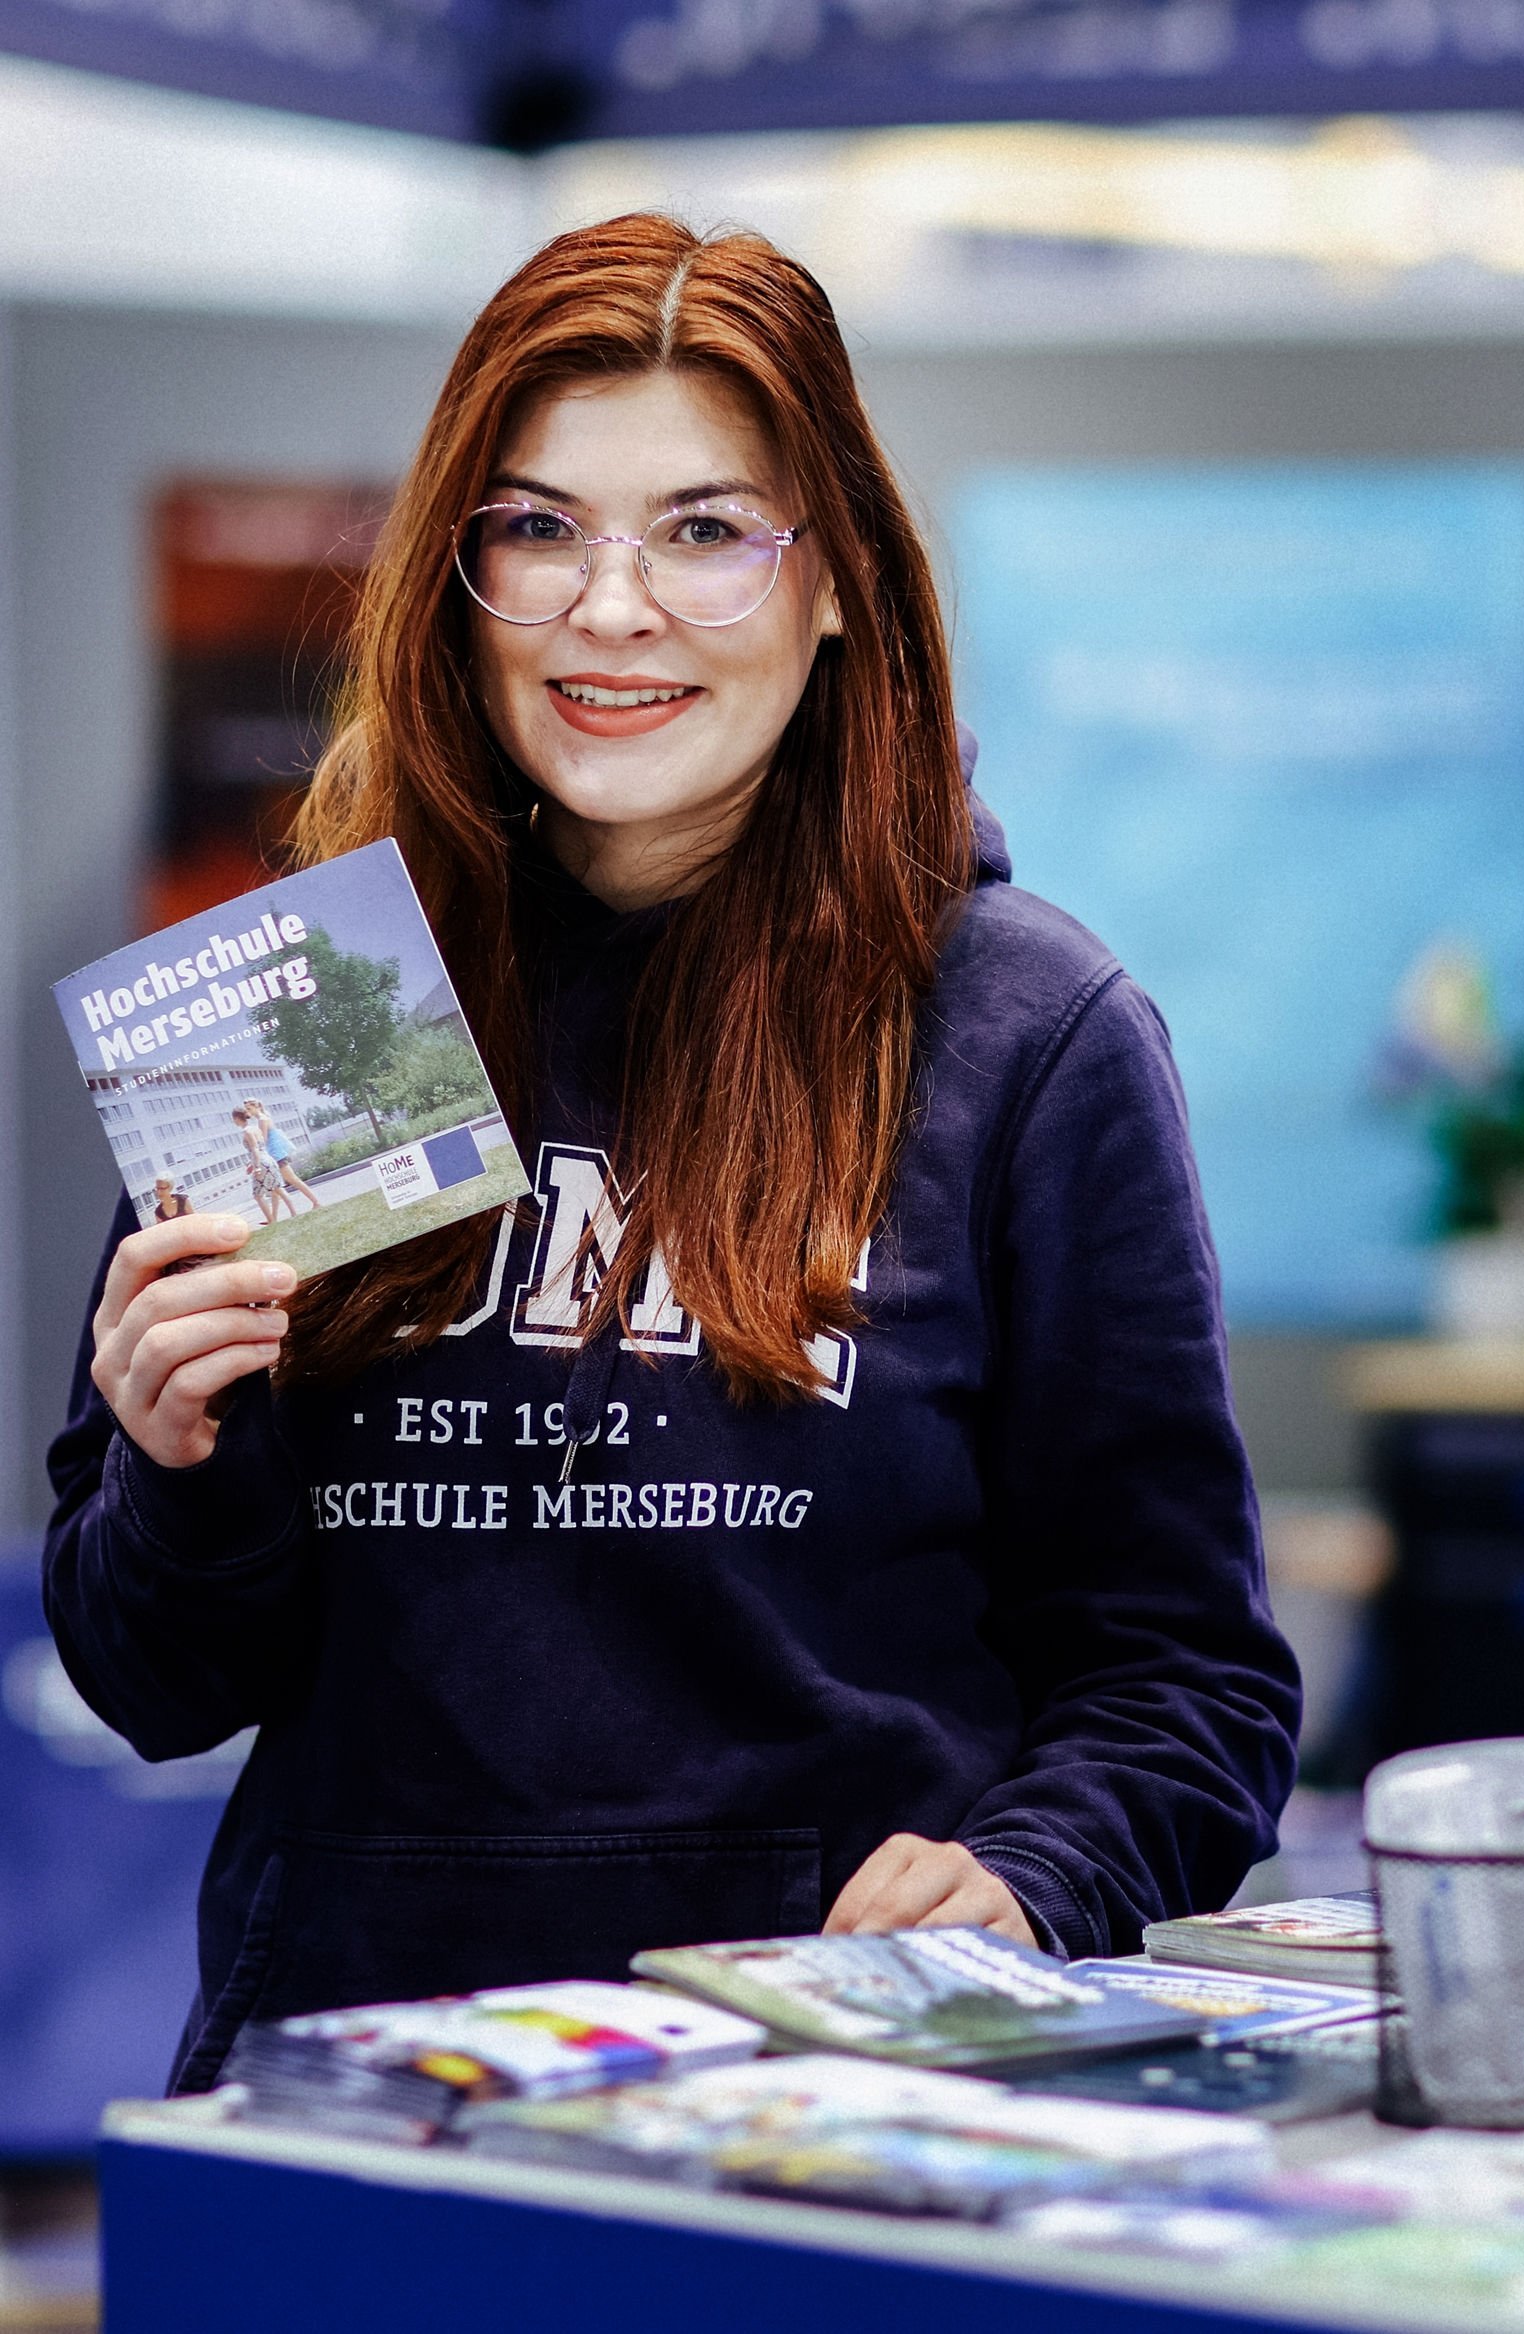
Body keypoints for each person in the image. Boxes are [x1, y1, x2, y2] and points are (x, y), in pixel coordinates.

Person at [45, 215, 1301, 2092]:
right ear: (455, 579)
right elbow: (150, 1680)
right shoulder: (317, 999)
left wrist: (1030, 1881)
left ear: (835, 583)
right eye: (537, 527)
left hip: (827, 2118)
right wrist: (174, 1461)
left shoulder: (1025, 1029)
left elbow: (1186, 1675)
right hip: (368, 2108)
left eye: (705, 531)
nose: (607, 607)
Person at [243, 1099, 321, 1215]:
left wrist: (255, 1157)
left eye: (249, 1109)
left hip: (276, 1154)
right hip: (274, 1153)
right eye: (246, 1110)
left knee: (292, 1180)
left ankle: (316, 1202)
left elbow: (263, 1140)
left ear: (256, 1107)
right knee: (276, 1187)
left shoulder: (262, 1120)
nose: (248, 1112)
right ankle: (273, 1218)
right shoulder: (263, 1118)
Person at [230, 1107, 283, 1225]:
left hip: (261, 1162)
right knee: (274, 1190)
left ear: (237, 1118)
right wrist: (252, 1163)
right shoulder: (255, 1129)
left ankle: (271, 1220)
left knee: (257, 1194)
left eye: (233, 1119)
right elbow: (261, 1145)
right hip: (269, 1159)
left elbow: (254, 1149)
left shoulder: (247, 1131)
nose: (233, 1121)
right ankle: (273, 1218)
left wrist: (256, 1166)